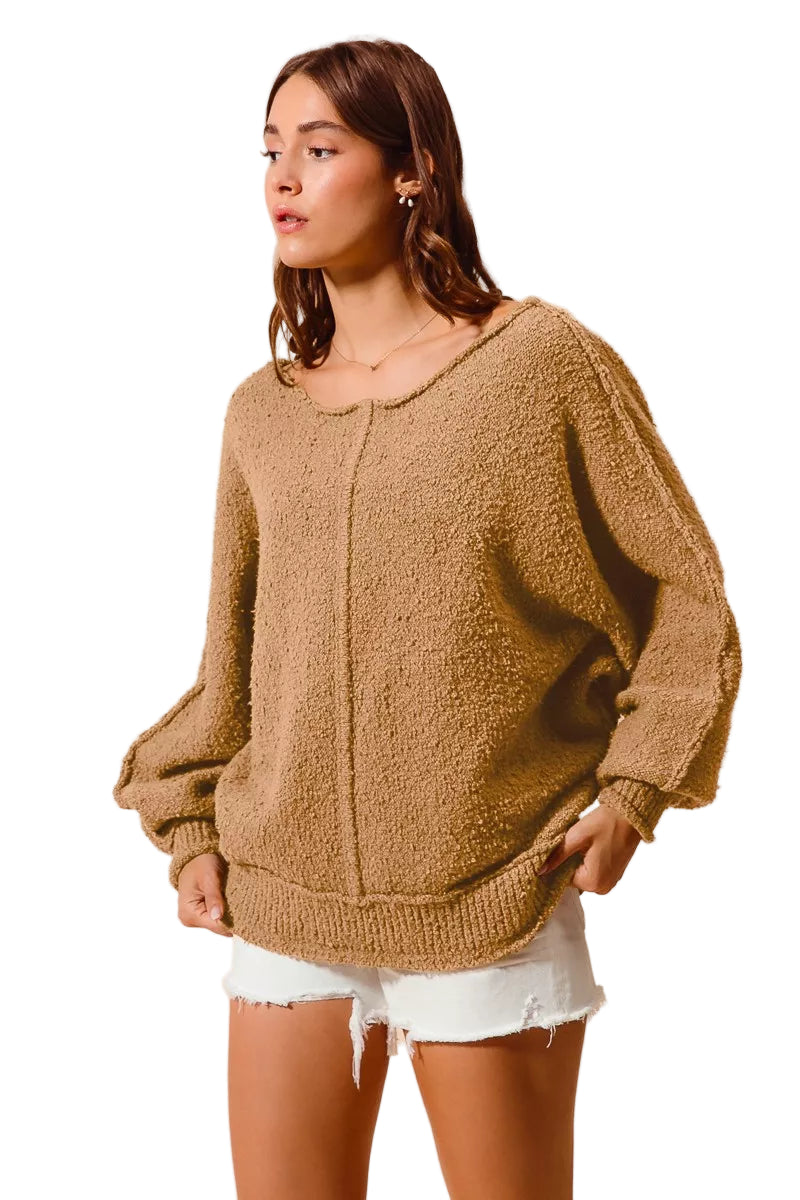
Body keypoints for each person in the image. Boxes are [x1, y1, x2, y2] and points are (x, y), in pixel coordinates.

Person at [112, 37, 742, 1200]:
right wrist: (192, 825)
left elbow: (681, 589)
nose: (282, 178)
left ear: (412, 170)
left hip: (489, 889)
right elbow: (239, 658)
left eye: (319, 148)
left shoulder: (538, 366)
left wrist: (634, 792)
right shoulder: (261, 414)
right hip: (283, 898)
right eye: (269, 150)